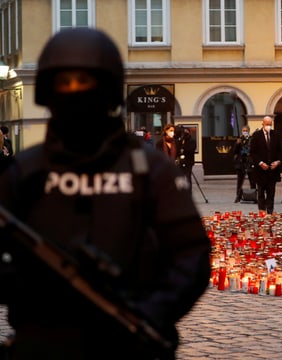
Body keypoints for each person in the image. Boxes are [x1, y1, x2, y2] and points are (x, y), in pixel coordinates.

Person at [0, 28, 210, 359]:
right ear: (46, 91)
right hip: (42, 341)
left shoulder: (151, 171)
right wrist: (21, 284)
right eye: (63, 82)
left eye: (84, 81)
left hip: (129, 339)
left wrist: (150, 311)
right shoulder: (25, 172)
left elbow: (191, 256)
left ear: (108, 89)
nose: (74, 92)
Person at [249, 116, 282, 214]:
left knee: (271, 193)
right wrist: (260, 163)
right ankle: (262, 212)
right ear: (262, 124)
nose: (268, 126)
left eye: (270, 124)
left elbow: (280, 151)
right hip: (260, 170)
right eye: (267, 124)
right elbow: (253, 152)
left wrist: (278, 162)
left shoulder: (276, 134)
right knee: (261, 192)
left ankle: (270, 212)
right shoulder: (256, 135)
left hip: (273, 169)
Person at [233, 125, 255, 203]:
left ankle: (254, 196)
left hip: (249, 162)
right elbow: (235, 151)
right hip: (241, 163)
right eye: (243, 130)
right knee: (240, 181)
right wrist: (237, 143)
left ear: (248, 131)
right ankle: (238, 196)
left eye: (246, 130)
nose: (244, 132)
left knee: (252, 180)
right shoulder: (240, 139)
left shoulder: (251, 139)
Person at [178, 126, 197, 190]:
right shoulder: (182, 139)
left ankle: (189, 190)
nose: (185, 133)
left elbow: (191, 150)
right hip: (181, 161)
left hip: (189, 161)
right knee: (181, 176)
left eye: (186, 131)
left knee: (188, 177)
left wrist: (184, 149)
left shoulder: (192, 140)